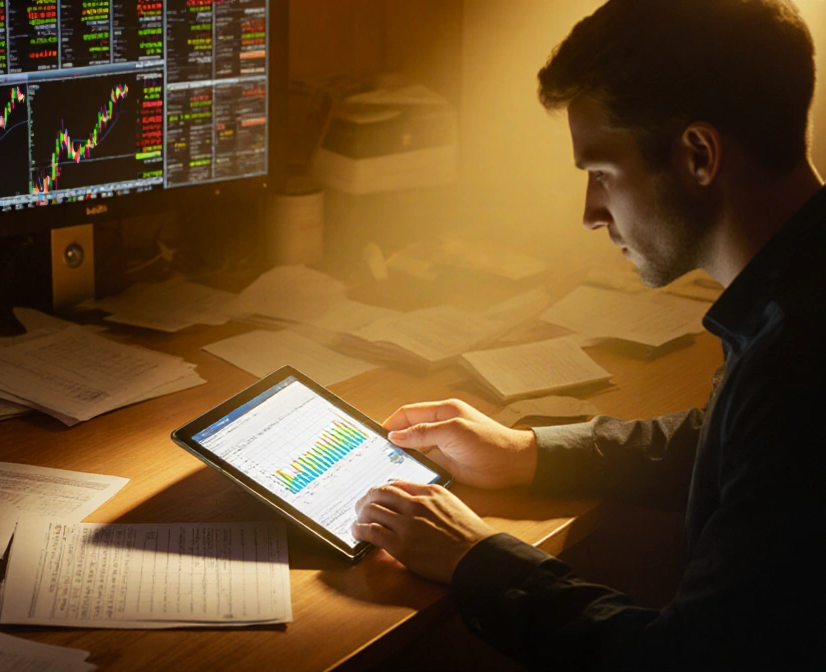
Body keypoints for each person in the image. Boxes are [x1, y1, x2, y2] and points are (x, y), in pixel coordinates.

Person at [351, 0, 826, 669]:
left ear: (698, 154)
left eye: (601, 173)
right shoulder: (798, 295)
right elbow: (738, 449)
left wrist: (474, 557)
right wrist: (530, 452)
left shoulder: (798, 365)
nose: (589, 214)